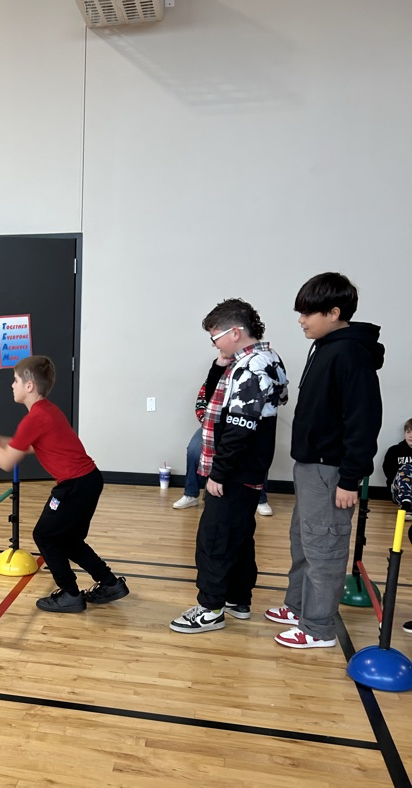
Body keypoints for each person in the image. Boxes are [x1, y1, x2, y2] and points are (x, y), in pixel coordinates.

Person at [265, 272, 384, 649]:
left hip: (331, 470)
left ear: (333, 312)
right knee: (304, 540)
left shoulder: (350, 353)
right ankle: (298, 606)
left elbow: (364, 421)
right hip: (310, 466)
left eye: (308, 313)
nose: (301, 320)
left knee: (324, 547)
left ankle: (317, 628)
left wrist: (350, 479)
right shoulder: (326, 345)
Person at [0, 355, 128, 613]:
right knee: (68, 540)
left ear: (29, 386)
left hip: (74, 485)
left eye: (15, 381)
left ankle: (70, 593)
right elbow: (30, 445)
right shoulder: (47, 411)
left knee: (44, 535)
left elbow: (6, 462)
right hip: (88, 481)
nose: (11, 386)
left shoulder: (35, 418)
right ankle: (110, 583)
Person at [170, 299, 287, 634]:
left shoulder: (251, 368)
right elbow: (212, 402)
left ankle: (210, 608)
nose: (215, 343)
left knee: (215, 537)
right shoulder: (260, 360)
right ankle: (237, 598)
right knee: (238, 533)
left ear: (235, 332)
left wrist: (218, 473)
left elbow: (240, 426)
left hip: (235, 470)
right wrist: (220, 362)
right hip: (245, 470)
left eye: (216, 337)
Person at [173, 371, 273, 515]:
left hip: (243, 429)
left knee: (255, 453)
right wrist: (210, 426)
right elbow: (201, 405)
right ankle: (190, 493)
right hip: (211, 426)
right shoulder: (214, 381)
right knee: (194, 450)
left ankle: (261, 499)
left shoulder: (252, 381)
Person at [382, 419, 412, 519]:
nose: (410, 435)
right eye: (408, 432)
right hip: (398, 491)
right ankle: (406, 506)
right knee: (406, 468)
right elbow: (388, 472)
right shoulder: (394, 451)